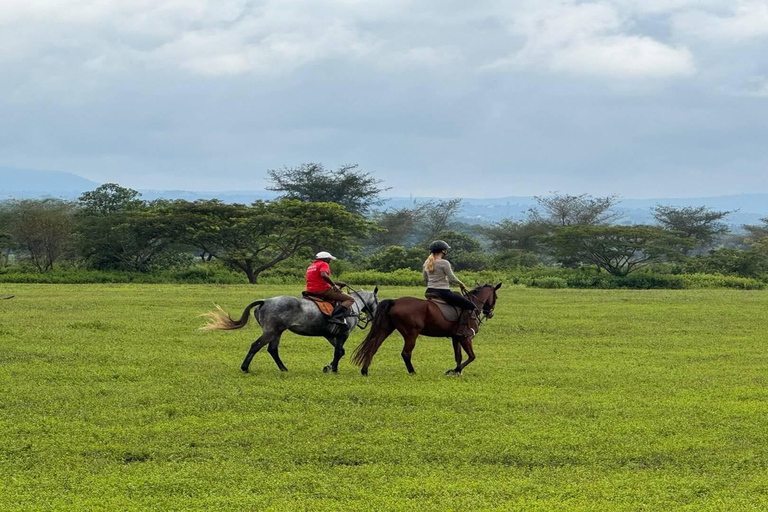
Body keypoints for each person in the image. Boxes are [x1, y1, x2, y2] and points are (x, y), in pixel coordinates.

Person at [423, 240, 478, 337]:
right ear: (443, 251)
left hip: (429, 291)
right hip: (443, 292)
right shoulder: (444, 263)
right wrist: (461, 283)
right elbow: (452, 277)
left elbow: (425, 279)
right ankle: (461, 330)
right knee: (469, 306)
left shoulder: (427, 263)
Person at [306, 251, 355, 326]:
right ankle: (336, 317)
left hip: (310, 290)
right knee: (350, 299)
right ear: (325, 259)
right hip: (322, 290)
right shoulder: (323, 264)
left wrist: (336, 283)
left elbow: (318, 279)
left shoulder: (311, 266)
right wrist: (334, 286)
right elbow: (324, 275)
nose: (329, 261)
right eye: (329, 259)